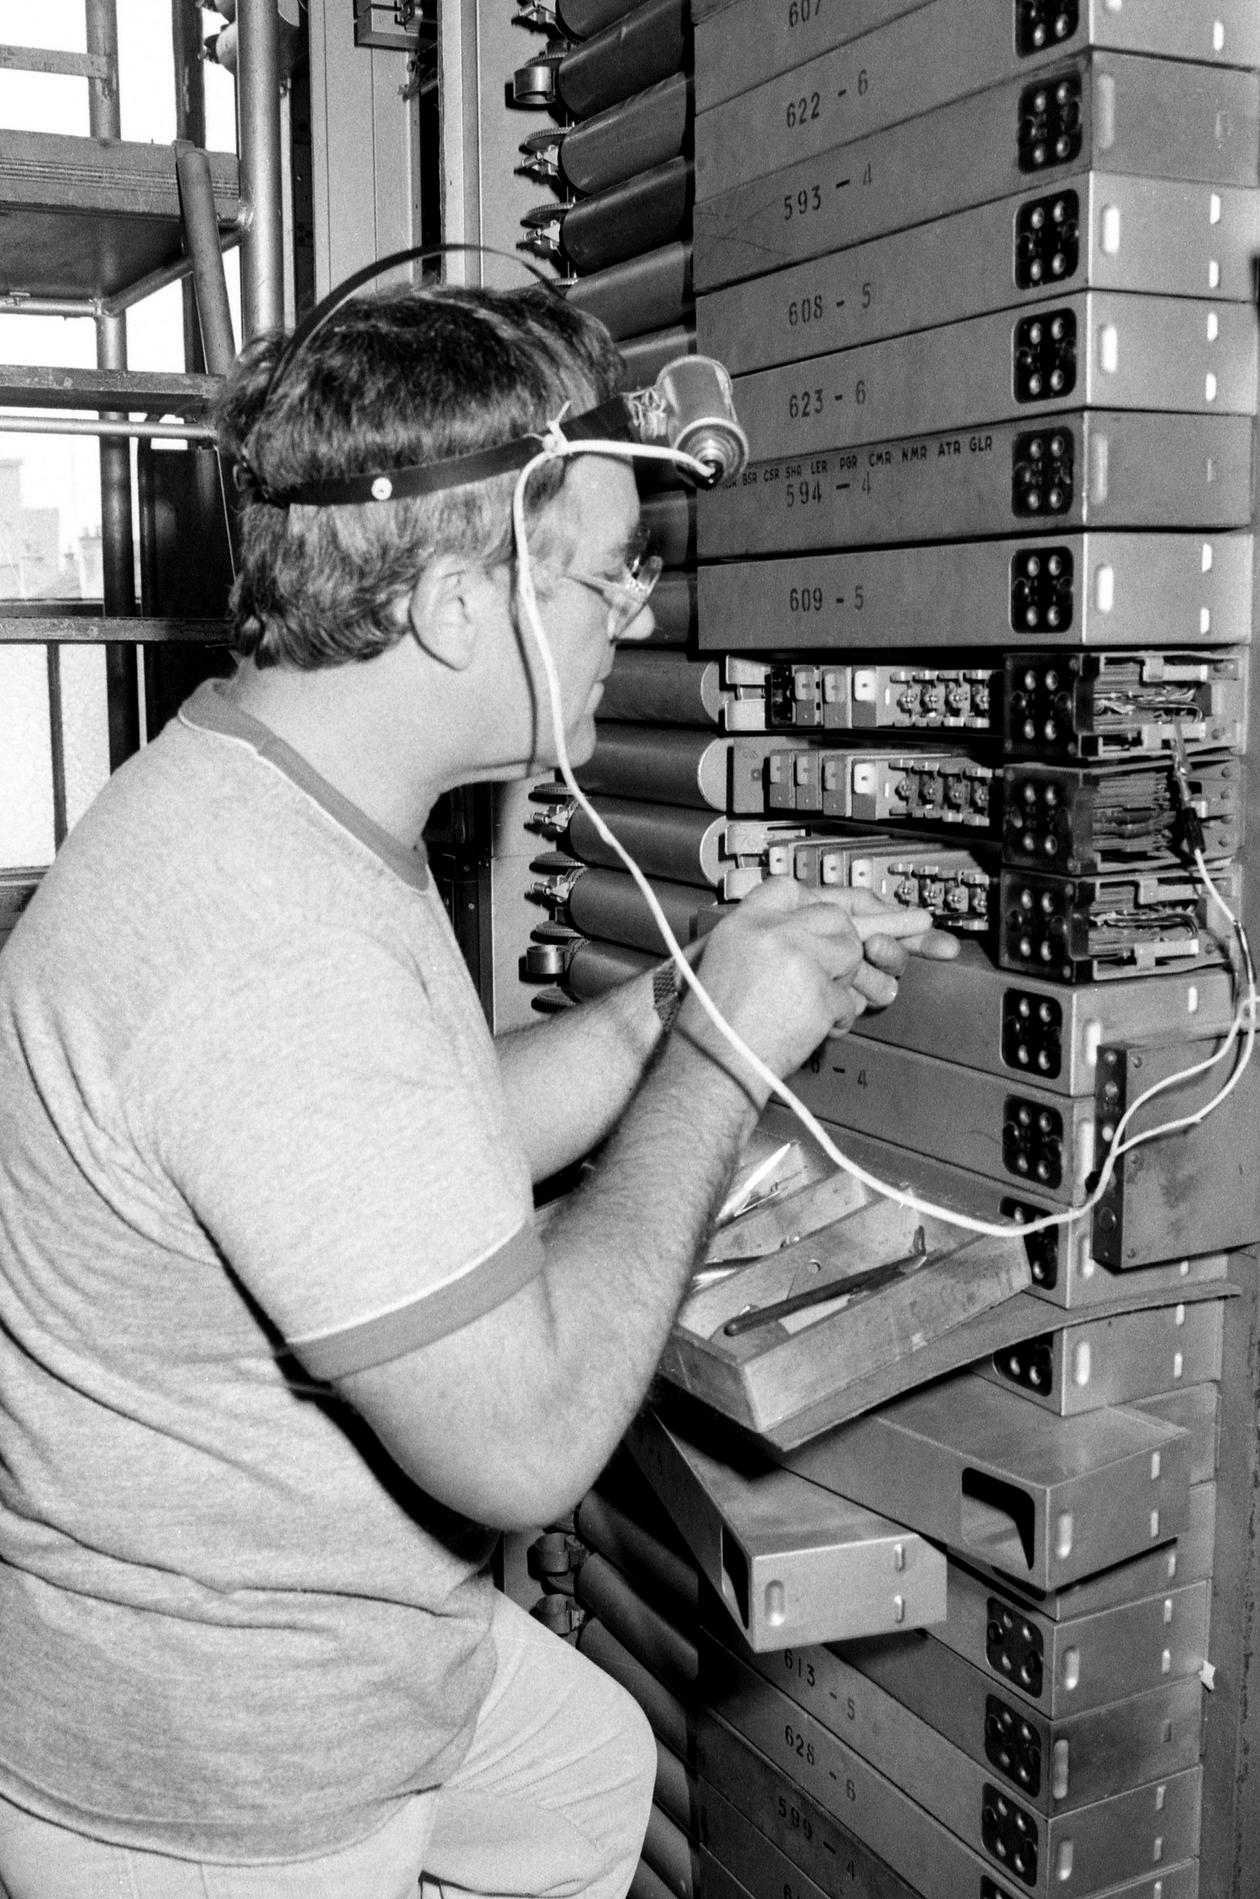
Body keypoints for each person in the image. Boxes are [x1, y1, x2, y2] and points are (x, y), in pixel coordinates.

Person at [0, 282, 956, 1898]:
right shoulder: (272, 951)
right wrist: (725, 1060)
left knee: (588, 1779)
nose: (632, 616)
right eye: (609, 572)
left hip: (280, 1641)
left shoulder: (264, 797)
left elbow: (399, 1158)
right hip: (230, 1782)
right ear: (458, 604)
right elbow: (524, 1445)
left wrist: (669, 1008)